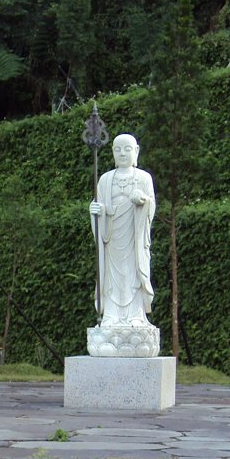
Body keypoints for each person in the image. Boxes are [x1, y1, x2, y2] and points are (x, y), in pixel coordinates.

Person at [89, 133, 156, 327]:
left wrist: (142, 201)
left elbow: (151, 206)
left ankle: (136, 315)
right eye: (117, 149)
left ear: (136, 151)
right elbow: (99, 206)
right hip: (111, 236)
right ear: (112, 153)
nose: (122, 153)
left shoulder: (143, 178)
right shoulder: (105, 179)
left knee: (133, 274)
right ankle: (111, 315)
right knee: (111, 276)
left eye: (127, 149)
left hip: (134, 237)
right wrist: (96, 211)